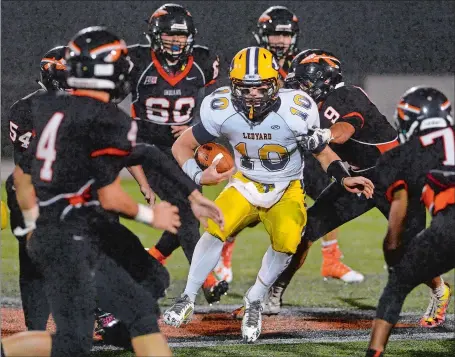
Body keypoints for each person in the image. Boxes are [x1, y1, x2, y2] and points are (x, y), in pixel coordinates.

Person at [0, 26, 198, 357]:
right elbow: (108, 185)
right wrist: (153, 214)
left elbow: (23, 175)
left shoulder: (47, 110)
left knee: (74, 335)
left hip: (51, 210)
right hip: (66, 212)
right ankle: (102, 311)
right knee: (136, 295)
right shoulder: (86, 115)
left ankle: (91, 314)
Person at [162, 46, 374, 343]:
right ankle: (187, 297)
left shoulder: (297, 108)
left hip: (286, 188)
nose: (254, 96)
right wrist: (200, 175)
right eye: (246, 89)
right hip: (244, 183)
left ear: (276, 83)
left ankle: (255, 301)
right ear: (233, 85)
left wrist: (343, 177)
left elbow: (321, 151)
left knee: (288, 243)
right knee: (214, 227)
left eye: (261, 87)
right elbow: (180, 146)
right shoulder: (220, 107)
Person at [264, 49, 451, 326]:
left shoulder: (348, 95)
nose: (300, 88)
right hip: (358, 180)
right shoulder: (312, 105)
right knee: (307, 230)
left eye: (305, 82)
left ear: (324, 80)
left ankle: (439, 289)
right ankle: (275, 291)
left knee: (408, 249)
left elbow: (343, 130)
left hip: (396, 180)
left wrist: (323, 135)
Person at [214, 5, 363, 289]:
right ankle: (224, 259)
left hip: (303, 145)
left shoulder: (302, 63)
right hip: (267, 144)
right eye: (274, 34)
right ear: (262, 35)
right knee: (250, 202)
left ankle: (331, 258)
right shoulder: (255, 62)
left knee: (327, 195)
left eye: (285, 34)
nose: (281, 40)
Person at [127, 3, 226, 304]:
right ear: (155, 37)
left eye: (181, 37)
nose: (175, 42)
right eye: (169, 36)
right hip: (150, 149)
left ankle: (150, 260)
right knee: (187, 212)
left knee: (187, 215)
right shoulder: (137, 61)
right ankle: (207, 280)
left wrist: (193, 124)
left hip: (184, 148)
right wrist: (140, 176)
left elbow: (212, 104)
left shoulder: (203, 63)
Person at [366, 87, 453, 356]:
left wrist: (394, 258)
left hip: (449, 225)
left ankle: (375, 352)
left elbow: (396, 230)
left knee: (398, 283)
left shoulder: (402, 155)